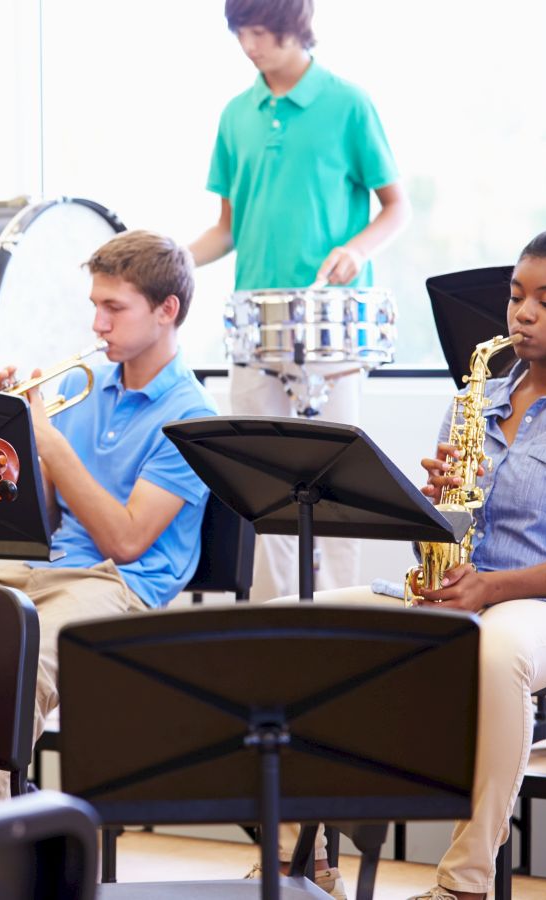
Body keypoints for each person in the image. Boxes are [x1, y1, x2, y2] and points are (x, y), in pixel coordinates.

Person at [303, 228, 546, 900]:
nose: (523, 313)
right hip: (466, 592)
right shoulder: (475, 398)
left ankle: (464, 883)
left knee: (497, 652)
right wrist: (433, 510)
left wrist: (486, 588)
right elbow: (434, 541)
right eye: (516, 297)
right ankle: (302, 863)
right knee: (302, 623)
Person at [0, 229, 218, 805]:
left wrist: (49, 442)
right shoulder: (89, 389)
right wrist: (13, 436)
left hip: (120, 587)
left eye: (114, 308)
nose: (98, 325)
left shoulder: (191, 417)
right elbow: (46, 515)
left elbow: (125, 541)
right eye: (95, 306)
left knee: (10, 675)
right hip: (48, 569)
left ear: (166, 310)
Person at [187, 0, 410, 604]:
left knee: (340, 485)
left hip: (331, 326)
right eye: (241, 33)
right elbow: (227, 229)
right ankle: (273, 623)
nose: (250, 46)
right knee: (261, 488)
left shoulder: (349, 103)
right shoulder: (236, 115)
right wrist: (175, 258)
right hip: (255, 328)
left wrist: (357, 250)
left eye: (262, 32)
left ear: (296, 28)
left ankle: (343, 621)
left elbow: (397, 207)